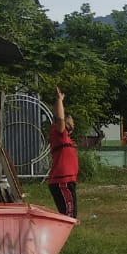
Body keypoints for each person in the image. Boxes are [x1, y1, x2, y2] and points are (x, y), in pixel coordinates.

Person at [47, 87, 79, 218]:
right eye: (70, 121)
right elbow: (59, 118)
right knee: (69, 216)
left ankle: (60, 237)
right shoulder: (59, 133)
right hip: (62, 182)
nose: (73, 124)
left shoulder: (65, 138)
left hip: (66, 181)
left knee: (68, 215)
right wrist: (59, 100)